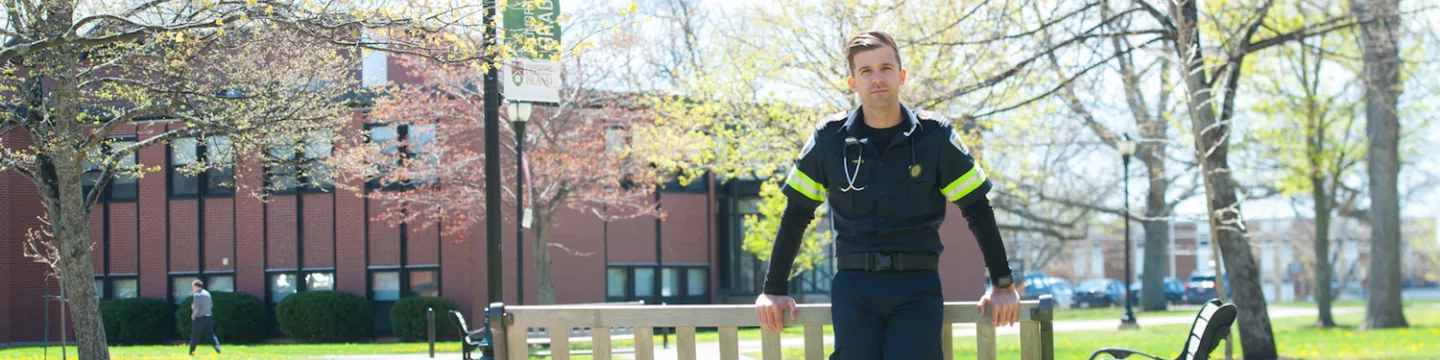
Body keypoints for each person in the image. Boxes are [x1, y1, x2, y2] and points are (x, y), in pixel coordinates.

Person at [753, 30, 1023, 360]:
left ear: (901, 76)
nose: (877, 78)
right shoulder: (829, 140)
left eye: (885, 68)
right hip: (854, 289)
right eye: (866, 71)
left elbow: (978, 210)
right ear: (853, 82)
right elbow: (796, 215)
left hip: (917, 288)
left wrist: (1002, 284)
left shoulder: (934, 137)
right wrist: (773, 289)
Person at [189, 279, 222, 356]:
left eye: (193, 287)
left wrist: (193, 315)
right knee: (211, 335)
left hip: (199, 318)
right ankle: (218, 349)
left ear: (196, 286)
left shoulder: (197, 295)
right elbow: (211, 305)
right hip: (209, 317)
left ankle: (191, 353)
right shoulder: (207, 293)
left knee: (195, 336)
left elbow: (196, 308)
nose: (192, 288)